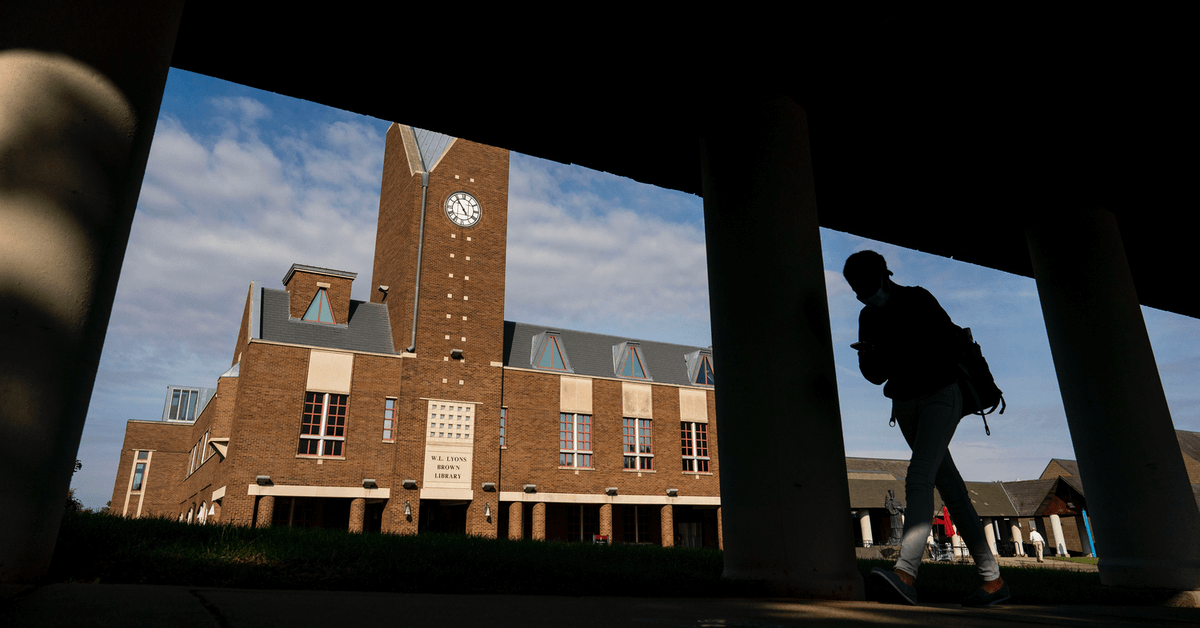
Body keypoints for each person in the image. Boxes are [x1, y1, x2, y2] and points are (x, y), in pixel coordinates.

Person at [843, 251, 1009, 607]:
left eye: (866, 286)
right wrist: (868, 355)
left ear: (883, 277)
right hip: (905, 404)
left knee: (919, 477)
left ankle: (905, 574)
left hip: (940, 396)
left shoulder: (918, 298)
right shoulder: (866, 316)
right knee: (951, 489)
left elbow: (944, 346)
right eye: (857, 290)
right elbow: (875, 376)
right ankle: (993, 582)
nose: (863, 295)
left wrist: (895, 347)